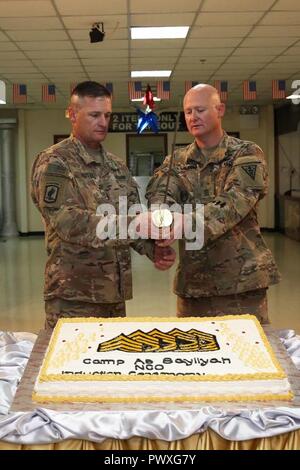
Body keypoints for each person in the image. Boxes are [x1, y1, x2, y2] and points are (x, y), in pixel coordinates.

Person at [31, 81, 175, 329]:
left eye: (107, 115)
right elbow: (68, 222)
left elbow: (133, 215)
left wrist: (154, 250)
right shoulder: (55, 162)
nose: (103, 122)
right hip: (73, 296)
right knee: (71, 365)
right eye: (94, 115)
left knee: (111, 365)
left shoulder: (117, 166)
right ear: (73, 115)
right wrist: (136, 224)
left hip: (114, 294)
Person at [146, 84, 280, 324]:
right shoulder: (176, 161)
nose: (193, 117)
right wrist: (162, 221)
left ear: (219, 110)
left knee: (247, 355)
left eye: (200, 109)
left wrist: (187, 221)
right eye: (188, 112)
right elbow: (160, 193)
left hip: (241, 285)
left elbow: (238, 200)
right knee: (193, 356)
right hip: (194, 285)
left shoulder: (246, 153)